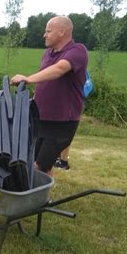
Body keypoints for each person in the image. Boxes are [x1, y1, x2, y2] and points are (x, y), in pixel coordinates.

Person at [11, 15, 88, 176]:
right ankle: (43, 196)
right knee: (39, 163)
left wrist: (28, 79)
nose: (44, 35)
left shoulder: (77, 51)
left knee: (39, 166)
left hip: (61, 123)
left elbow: (59, 69)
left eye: (48, 31)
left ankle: (36, 197)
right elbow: (45, 80)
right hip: (41, 119)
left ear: (62, 32)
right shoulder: (47, 53)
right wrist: (34, 98)